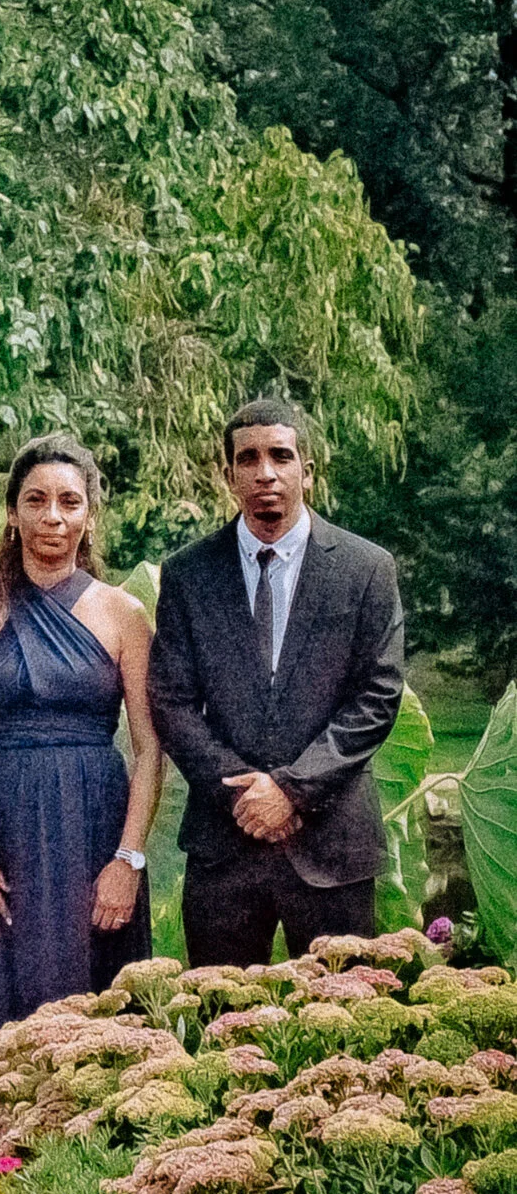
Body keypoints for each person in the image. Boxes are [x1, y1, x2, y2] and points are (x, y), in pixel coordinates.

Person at [0, 434, 161, 1169]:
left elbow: (151, 748)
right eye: (37, 500)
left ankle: (87, 1181)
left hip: (91, 831)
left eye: (69, 501)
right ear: (13, 510)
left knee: (84, 1000)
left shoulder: (123, 613)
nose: (52, 516)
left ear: (90, 515)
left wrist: (127, 859)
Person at [150, 397, 404, 967]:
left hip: (332, 848)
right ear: (228, 474)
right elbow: (172, 701)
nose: (265, 472)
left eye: (281, 456)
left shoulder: (365, 570)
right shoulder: (189, 574)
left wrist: (291, 789)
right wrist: (244, 798)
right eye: (249, 458)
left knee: (345, 1035)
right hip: (225, 848)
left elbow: (377, 696)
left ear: (306, 471)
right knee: (226, 1037)